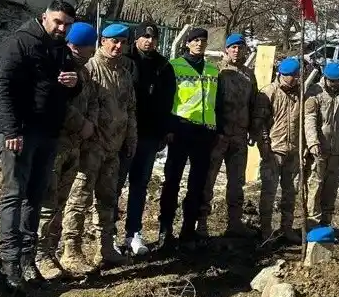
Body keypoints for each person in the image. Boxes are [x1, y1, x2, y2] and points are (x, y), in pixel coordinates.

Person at [0, 0, 80, 289]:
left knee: (35, 197)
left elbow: (73, 87)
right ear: (44, 17)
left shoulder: (62, 49)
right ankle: (9, 263)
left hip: (48, 134)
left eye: (67, 24)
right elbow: (0, 87)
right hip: (21, 134)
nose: (62, 27)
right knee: (14, 196)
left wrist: (73, 83)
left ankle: (28, 260)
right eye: (57, 21)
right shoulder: (19, 43)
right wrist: (11, 130)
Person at [60, 23, 137, 274]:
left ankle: (105, 246)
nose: (117, 46)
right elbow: (84, 107)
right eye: (112, 41)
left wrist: (131, 138)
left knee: (108, 199)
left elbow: (130, 110)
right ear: (102, 41)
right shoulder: (90, 70)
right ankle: (71, 249)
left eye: (122, 42)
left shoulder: (124, 74)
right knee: (79, 198)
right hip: (90, 148)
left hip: (113, 149)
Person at [36, 22, 99, 279]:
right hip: (56, 144)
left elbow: (93, 100)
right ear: (78, 45)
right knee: (47, 204)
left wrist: (91, 124)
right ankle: (39, 254)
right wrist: (82, 123)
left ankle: (52, 253)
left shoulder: (84, 72)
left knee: (61, 203)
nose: (92, 50)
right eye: (89, 45)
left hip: (75, 146)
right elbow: (56, 103)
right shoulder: (62, 65)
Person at [158, 27, 220, 250]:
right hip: (181, 129)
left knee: (197, 184)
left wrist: (216, 130)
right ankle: (165, 229)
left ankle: (188, 229)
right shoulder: (175, 67)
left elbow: (217, 102)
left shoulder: (213, 70)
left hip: (205, 132)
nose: (200, 44)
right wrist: (168, 128)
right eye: (195, 41)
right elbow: (165, 100)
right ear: (186, 43)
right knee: (172, 181)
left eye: (203, 41)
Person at [118, 22, 176, 256]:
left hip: (149, 135)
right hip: (122, 135)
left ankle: (134, 233)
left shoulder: (163, 66)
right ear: (136, 38)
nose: (149, 41)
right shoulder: (124, 60)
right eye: (144, 37)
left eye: (153, 37)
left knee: (139, 186)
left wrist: (165, 130)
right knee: (114, 185)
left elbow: (169, 101)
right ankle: (108, 235)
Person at [199, 33, 259, 239]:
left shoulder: (249, 75)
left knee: (236, 182)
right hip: (218, 136)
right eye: (232, 47)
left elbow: (253, 105)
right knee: (208, 180)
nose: (236, 51)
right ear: (226, 49)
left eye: (240, 47)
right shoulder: (216, 71)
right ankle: (202, 224)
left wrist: (253, 129)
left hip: (239, 137)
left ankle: (234, 223)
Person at [257, 57, 305, 244]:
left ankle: (287, 227)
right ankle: (265, 229)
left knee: (290, 192)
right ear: (281, 75)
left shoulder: (301, 95)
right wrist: (264, 145)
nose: (292, 79)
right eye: (288, 76)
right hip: (274, 149)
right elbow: (259, 122)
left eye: (295, 75)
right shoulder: (268, 93)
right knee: (268, 191)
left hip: (293, 150)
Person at [304, 61, 339, 227]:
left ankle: (326, 223)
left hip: (336, 150)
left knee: (332, 186)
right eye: (332, 80)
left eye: (338, 80)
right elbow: (309, 118)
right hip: (319, 148)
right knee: (315, 186)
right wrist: (312, 142)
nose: (335, 84)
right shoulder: (315, 92)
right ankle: (313, 224)